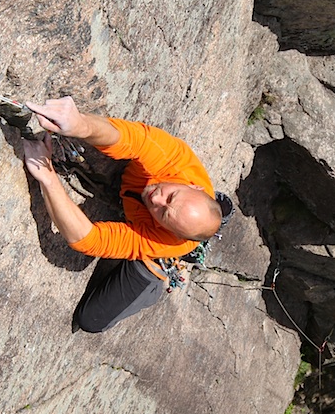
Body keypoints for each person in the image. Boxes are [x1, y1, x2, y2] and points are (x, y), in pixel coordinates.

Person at [22, 96, 223, 333]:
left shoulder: (167, 240)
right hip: (161, 200)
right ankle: (207, 217)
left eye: (163, 213)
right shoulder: (176, 161)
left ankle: (156, 281)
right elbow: (131, 139)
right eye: (171, 196)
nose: (156, 199)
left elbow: (89, 240)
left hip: (159, 247)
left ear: (168, 230)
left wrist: (47, 176)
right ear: (194, 186)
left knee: (91, 320)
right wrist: (80, 125)